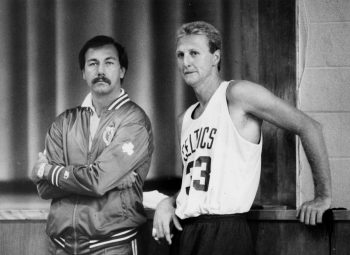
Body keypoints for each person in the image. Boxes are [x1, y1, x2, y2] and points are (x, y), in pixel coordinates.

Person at [152, 21, 332, 255]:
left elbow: (309, 126)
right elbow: (198, 184)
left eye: (194, 53)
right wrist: (169, 202)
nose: (186, 62)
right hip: (186, 233)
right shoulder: (184, 119)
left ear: (216, 57)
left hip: (225, 232)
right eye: (180, 55)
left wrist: (323, 196)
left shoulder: (236, 95)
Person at [31, 35, 153, 255]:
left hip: (111, 246)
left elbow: (97, 182)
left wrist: (48, 170)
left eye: (109, 62)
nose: (100, 71)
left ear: (122, 71)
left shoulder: (133, 120)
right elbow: (44, 188)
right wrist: (108, 179)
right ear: (83, 72)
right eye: (93, 63)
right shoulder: (65, 122)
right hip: (61, 247)